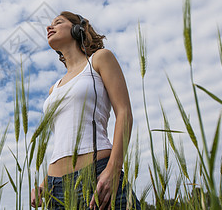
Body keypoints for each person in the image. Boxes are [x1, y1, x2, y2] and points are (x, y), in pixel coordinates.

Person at [31, 11, 141, 209]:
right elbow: (64, 137)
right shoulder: (53, 88)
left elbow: (124, 112)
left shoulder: (100, 59)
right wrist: (44, 184)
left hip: (96, 176)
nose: (49, 27)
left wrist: (114, 169)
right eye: (49, 24)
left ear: (77, 28)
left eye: (58, 22)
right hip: (56, 190)